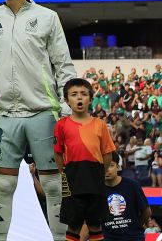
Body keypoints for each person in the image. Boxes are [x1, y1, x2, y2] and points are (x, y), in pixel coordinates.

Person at [0, 0, 76, 241]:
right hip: (5, 114)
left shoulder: (47, 17)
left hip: (43, 113)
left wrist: (67, 108)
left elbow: (64, 64)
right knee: (5, 185)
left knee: (53, 185)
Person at [54, 78, 116, 241]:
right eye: (74, 94)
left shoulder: (100, 125)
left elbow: (107, 154)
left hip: (95, 179)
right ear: (67, 101)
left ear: (90, 98)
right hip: (72, 179)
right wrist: (65, 174)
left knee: (95, 225)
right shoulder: (62, 125)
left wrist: (99, 173)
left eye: (83, 94)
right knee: (73, 225)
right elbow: (58, 153)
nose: (79, 97)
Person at [103, 151, 150, 241]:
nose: (107, 169)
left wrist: (135, 227)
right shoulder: (97, 189)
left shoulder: (133, 185)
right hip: (108, 238)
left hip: (133, 237)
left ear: (118, 167)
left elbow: (147, 212)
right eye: (104, 166)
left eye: (111, 165)